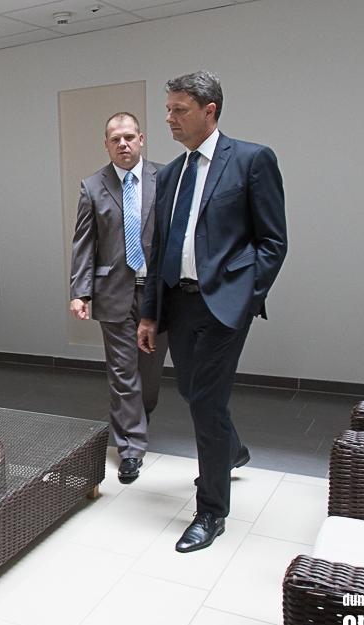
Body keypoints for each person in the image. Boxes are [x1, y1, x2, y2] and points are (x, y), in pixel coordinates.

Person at [138, 71, 287, 552]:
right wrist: (149, 314)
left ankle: (211, 511)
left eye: (179, 110)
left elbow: (272, 241)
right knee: (192, 391)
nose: (169, 118)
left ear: (210, 111)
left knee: (205, 401)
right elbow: (159, 248)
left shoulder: (251, 160)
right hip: (177, 301)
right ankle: (232, 448)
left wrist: (246, 298)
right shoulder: (169, 174)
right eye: (168, 109)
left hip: (223, 304)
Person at [70, 112, 168, 483]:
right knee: (123, 373)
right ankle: (130, 448)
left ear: (141, 139)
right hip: (113, 292)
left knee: (149, 375)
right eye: (115, 139)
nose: (123, 144)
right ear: (107, 145)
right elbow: (84, 243)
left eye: (128, 137)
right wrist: (79, 292)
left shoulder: (166, 178)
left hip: (157, 294)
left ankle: (139, 421)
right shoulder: (93, 186)